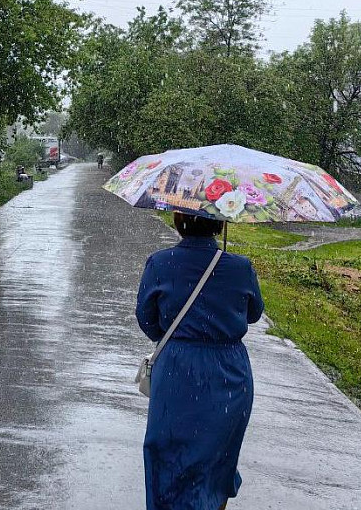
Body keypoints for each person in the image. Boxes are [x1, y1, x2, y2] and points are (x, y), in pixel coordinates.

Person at [136, 212, 264, 510]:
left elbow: (147, 319)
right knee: (217, 455)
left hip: (177, 369)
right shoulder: (240, 267)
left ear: (179, 221)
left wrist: (176, 337)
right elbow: (254, 313)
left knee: (166, 450)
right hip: (229, 371)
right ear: (220, 223)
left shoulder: (160, 263)